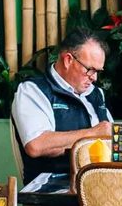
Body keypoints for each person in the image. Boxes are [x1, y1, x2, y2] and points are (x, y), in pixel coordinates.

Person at [11, 26, 114, 180]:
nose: (94, 78)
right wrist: (92, 134)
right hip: (53, 188)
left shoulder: (95, 93)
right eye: (90, 70)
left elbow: (110, 135)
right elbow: (36, 145)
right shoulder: (33, 90)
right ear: (68, 60)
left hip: (98, 184)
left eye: (98, 72)